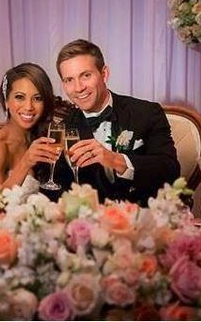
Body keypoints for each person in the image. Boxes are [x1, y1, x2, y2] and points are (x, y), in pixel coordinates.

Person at [54, 39, 180, 205]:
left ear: (104, 74)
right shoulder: (63, 128)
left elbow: (170, 171)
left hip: (144, 219)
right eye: (69, 80)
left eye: (85, 75)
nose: (78, 88)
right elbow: (57, 191)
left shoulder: (146, 113)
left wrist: (116, 160)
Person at [0, 63, 60, 205]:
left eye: (37, 98)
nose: (29, 107)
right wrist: (26, 162)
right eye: (20, 97)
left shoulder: (44, 135)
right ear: (6, 102)